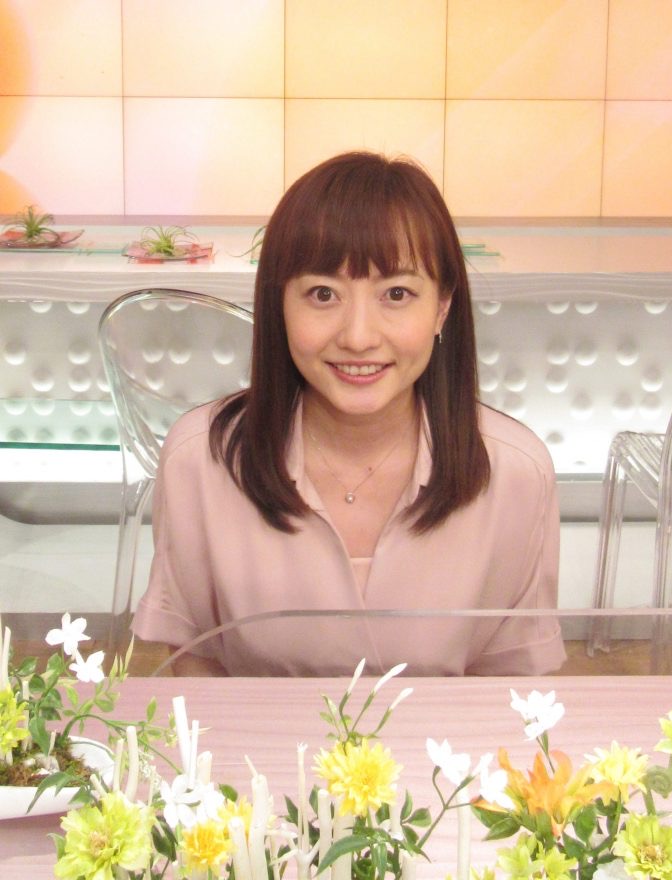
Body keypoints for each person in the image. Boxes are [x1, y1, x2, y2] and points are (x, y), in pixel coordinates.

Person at [131, 151, 566, 676]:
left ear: (443, 307)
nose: (358, 337)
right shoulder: (201, 460)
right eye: (323, 294)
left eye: (397, 294)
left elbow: (511, 692)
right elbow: (196, 667)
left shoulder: (516, 473)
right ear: (279, 305)